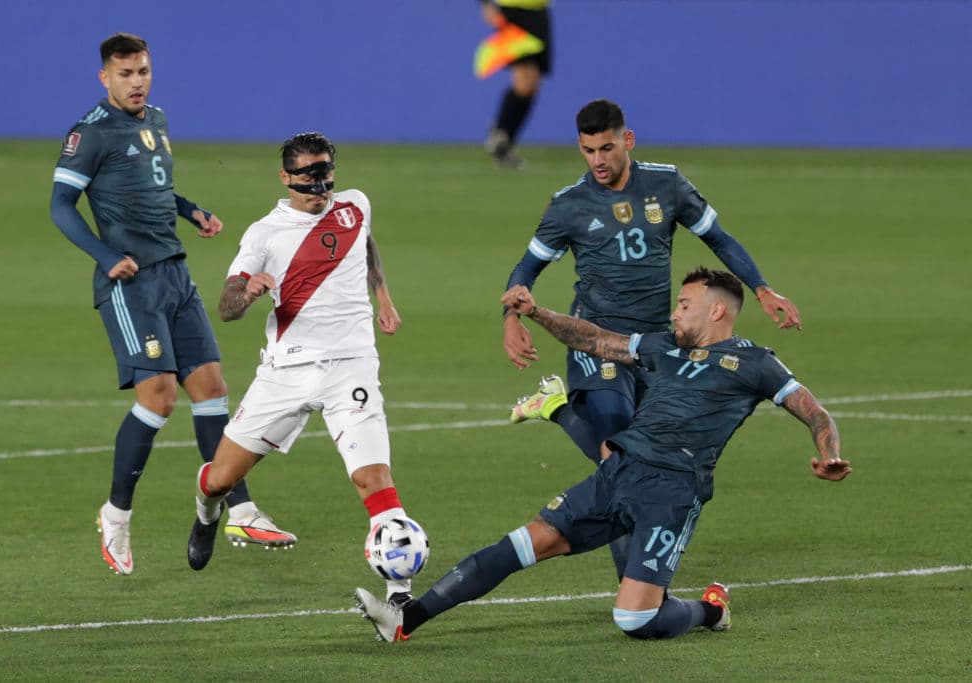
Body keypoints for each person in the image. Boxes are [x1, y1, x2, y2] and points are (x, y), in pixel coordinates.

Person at [355, 267, 851, 642]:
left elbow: (816, 413)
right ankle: (405, 621)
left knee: (634, 618)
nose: (674, 312)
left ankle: (711, 609)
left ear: (716, 310)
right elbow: (595, 340)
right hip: (618, 472)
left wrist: (829, 454)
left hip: (672, 492)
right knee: (523, 543)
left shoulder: (756, 362)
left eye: (684, 304)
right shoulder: (662, 347)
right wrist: (537, 312)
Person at [503, 99, 803, 575]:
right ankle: (635, 585)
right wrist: (512, 317)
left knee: (637, 458)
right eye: (587, 150)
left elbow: (719, 238)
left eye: (606, 147)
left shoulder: (667, 184)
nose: (597, 160)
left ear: (628, 139)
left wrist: (762, 289)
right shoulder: (569, 204)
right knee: (617, 454)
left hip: (656, 344)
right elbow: (527, 268)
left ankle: (557, 408)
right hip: (594, 341)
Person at [50, 33, 294, 576]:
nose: (137, 82)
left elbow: (154, 187)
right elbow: (61, 205)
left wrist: (191, 210)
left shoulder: (155, 120)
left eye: (143, 71)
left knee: (211, 389)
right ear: (104, 78)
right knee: (158, 399)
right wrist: (104, 254)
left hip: (175, 273)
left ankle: (243, 508)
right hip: (130, 283)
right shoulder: (88, 133)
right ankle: (115, 515)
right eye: (125, 74)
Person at [185, 132, 415, 607]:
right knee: (221, 479)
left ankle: (400, 596)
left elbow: (366, 244)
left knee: (374, 481)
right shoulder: (263, 234)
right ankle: (207, 514)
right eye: (309, 174)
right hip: (285, 373)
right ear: (286, 177)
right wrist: (247, 295)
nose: (321, 182)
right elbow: (226, 305)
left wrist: (384, 297)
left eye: (326, 170)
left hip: (351, 368)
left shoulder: (354, 204)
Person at [480, 0, 553, 168]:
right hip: (513, 12)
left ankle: (503, 139)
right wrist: (485, 4)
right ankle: (500, 135)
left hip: (539, 11)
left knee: (532, 85)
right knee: (523, 82)